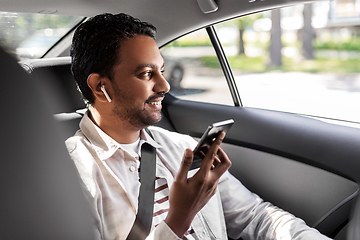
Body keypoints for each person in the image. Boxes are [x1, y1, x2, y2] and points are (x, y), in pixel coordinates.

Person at [66, 13, 332, 240]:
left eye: (162, 70)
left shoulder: (181, 147)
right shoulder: (71, 175)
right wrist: (178, 220)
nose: (165, 86)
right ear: (101, 87)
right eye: (147, 74)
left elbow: (256, 216)